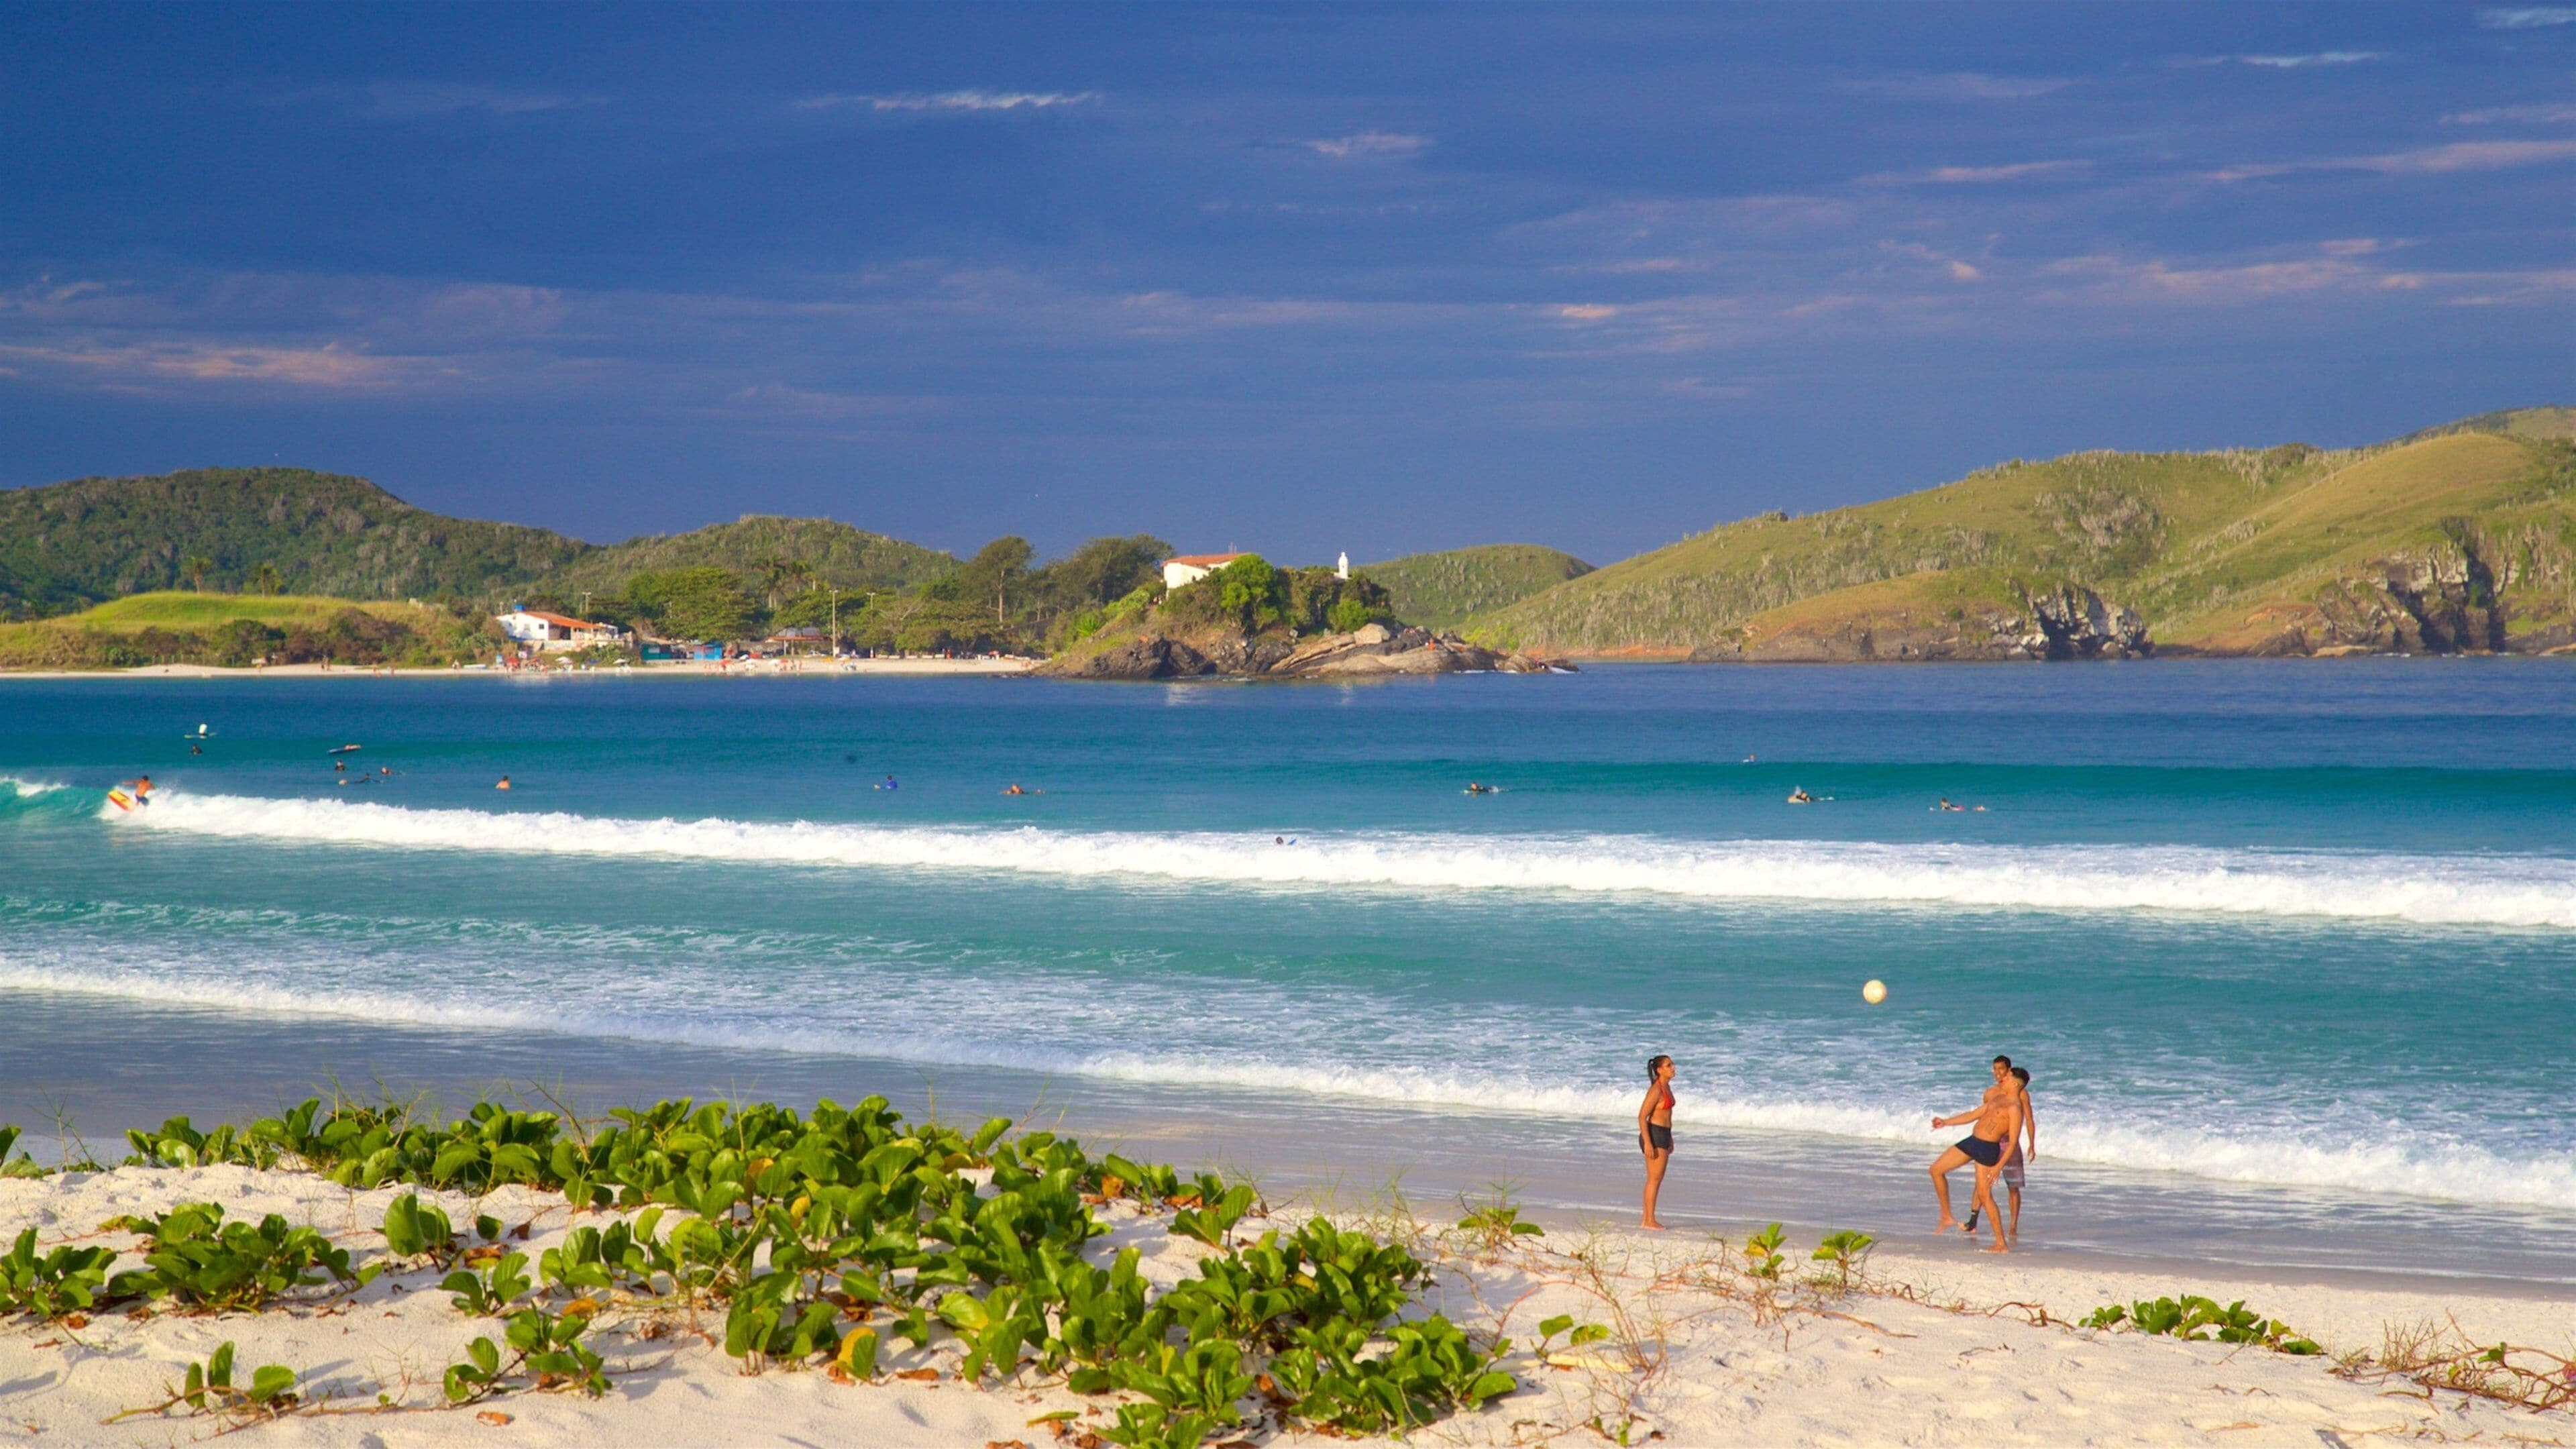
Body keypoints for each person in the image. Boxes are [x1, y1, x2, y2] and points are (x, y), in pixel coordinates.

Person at [1928, 1055, 2024, 1252]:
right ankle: (1946, 1215)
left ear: (2015, 1084)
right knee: (1936, 1170)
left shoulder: (2015, 1108)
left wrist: (1998, 1167)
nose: (2002, 1078)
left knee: (1984, 1194)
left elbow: (2013, 1141)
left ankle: (2001, 1243)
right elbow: (1973, 1115)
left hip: (1988, 1150)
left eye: (2008, 1077)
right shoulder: (1997, 1098)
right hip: (1973, 1142)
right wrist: (1946, 1122)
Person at [1637, 1055, 1676, 1230]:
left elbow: (1668, 1116)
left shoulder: (1667, 1087)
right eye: (1669, 1065)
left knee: (1656, 1180)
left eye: (1672, 1064)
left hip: (1664, 1134)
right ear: (1660, 1070)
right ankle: (1648, 1220)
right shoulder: (1656, 1090)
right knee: (1654, 1180)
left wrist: (1671, 1138)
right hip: (1654, 1134)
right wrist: (1648, 1143)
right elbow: (1642, 1116)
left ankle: (1647, 1219)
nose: (1673, 1067)